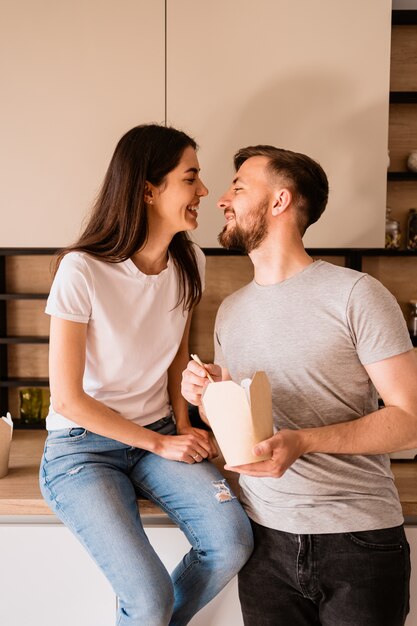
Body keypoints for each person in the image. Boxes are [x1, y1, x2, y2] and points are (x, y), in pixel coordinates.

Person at [181, 145, 417, 626]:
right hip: (264, 541)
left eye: (239, 187)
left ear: (281, 202)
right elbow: (244, 431)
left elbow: (410, 422)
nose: (222, 199)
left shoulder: (357, 295)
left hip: (357, 541)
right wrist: (210, 397)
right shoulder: (232, 310)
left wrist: (305, 442)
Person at [39, 124, 253, 626]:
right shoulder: (81, 270)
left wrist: (182, 426)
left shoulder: (190, 262)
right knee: (149, 596)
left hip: (158, 435)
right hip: (81, 448)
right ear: (148, 189)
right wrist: (161, 445)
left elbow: (177, 358)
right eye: (191, 177)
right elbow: (68, 399)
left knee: (232, 543)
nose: (204, 191)